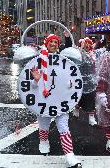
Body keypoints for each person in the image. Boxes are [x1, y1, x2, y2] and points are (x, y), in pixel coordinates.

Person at [30, 34, 82, 168]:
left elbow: (71, 82)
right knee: (44, 125)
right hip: (43, 100)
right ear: (46, 43)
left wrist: (70, 83)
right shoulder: (37, 60)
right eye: (51, 42)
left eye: (56, 42)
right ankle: (44, 141)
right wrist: (36, 80)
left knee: (64, 127)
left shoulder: (64, 60)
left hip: (60, 100)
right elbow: (30, 88)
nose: (53, 44)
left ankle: (70, 156)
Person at [72, 37, 98, 126]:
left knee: (91, 100)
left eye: (89, 43)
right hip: (80, 82)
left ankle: (91, 118)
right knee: (80, 99)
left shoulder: (93, 54)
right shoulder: (78, 54)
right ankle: (76, 109)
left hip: (91, 83)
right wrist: (81, 49)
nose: (87, 45)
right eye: (85, 43)